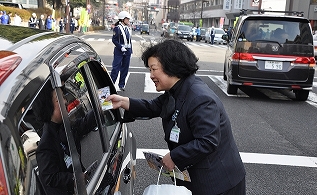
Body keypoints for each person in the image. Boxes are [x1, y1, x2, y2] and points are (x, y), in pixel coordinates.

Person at [106, 39, 246, 195]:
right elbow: (153, 107)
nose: (151, 75)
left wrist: (175, 156)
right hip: (199, 179)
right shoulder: (177, 89)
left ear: (171, 67)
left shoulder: (200, 98)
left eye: (154, 69)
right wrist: (124, 102)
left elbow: (207, 141)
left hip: (218, 183)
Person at [33, 80, 97, 194]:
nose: (66, 101)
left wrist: (100, 106)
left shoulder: (65, 126)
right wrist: (73, 178)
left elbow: (84, 124)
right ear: (49, 107)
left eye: (64, 97)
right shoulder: (46, 144)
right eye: (60, 99)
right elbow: (50, 178)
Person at [110, 11, 133, 91]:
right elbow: (114, 40)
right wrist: (120, 47)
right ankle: (111, 85)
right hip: (119, 52)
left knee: (125, 69)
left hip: (127, 51)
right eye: (127, 19)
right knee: (115, 69)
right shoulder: (117, 28)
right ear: (122, 19)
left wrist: (131, 51)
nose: (128, 20)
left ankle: (121, 85)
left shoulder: (128, 28)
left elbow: (130, 41)